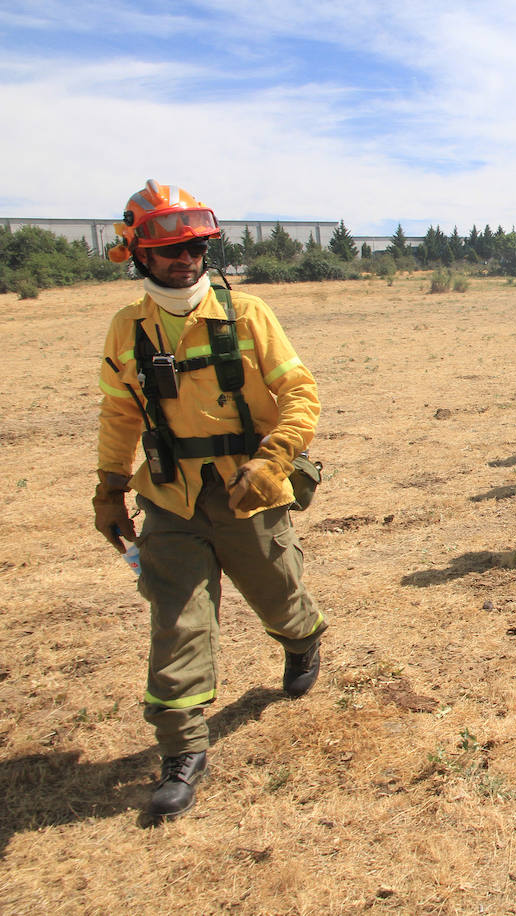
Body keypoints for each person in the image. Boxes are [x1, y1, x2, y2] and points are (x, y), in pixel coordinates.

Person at [95, 180, 326, 823]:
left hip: (249, 492)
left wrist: (273, 459)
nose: (185, 260)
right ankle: (181, 751)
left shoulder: (246, 314)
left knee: (279, 594)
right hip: (170, 499)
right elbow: (119, 414)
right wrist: (109, 489)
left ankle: (302, 639)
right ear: (139, 256)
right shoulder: (128, 329)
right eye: (170, 250)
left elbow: (300, 393)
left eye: (195, 247)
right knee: (177, 619)